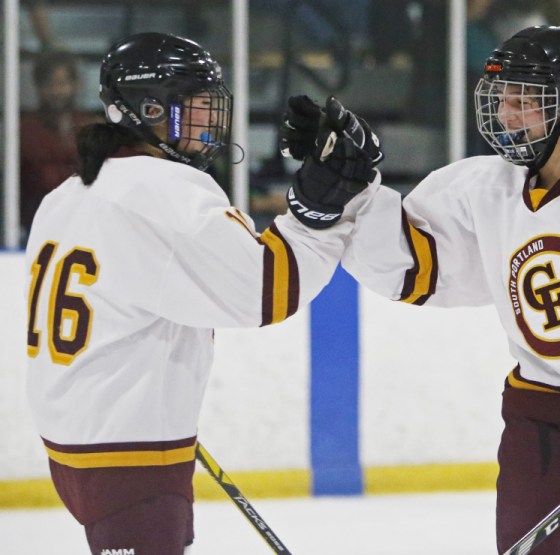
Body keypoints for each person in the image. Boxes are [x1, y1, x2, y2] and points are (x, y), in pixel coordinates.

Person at [282, 25, 560, 554]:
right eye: (500, 99)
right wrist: (349, 192)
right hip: (546, 417)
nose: (506, 114)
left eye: (524, 100)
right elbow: (411, 268)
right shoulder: (481, 186)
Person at [25, 32, 380, 555]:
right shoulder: (162, 190)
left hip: (83, 447)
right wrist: (317, 215)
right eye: (193, 106)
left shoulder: (69, 193)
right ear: (147, 108)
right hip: (131, 460)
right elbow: (269, 290)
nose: (210, 121)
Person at [20, 50, 100, 239]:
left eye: (62, 83)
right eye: (50, 84)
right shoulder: (23, 131)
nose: (57, 91)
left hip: (86, 226)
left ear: (76, 85)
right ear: (39, 87)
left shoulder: (92, 127)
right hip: (35, 228)